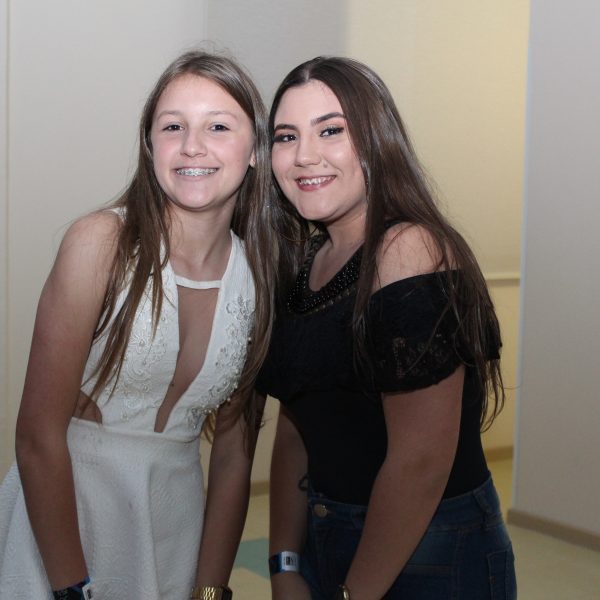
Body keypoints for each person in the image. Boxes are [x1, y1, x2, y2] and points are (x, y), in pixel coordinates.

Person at [0, 50, 275, 599]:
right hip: (68, 523)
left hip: (174, 529)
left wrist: (211, 590)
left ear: (254, 151)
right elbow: (36, 437)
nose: (192, 145)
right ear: (150, 147)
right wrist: (71, 588)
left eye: (218, 127)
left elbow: (232, 455)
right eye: (173, 126)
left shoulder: (261, 277)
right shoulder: (101, 242)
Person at [257, 56, 516, 600]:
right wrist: (284, 563)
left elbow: (420, 463)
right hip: (327, 535)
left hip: (432, 551)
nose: (304, 155)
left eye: (331, 130)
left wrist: (353, 593)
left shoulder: (407, 249)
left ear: (376, 140)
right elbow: (297, 426)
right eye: (286, 136)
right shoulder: (308, 260)